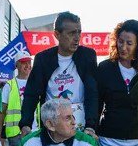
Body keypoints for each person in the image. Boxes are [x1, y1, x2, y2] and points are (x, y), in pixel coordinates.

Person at [19, 11, 98, 139]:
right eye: (72, 33)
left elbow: (93, 93)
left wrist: (91, 125)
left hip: (81, 125)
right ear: (57, 34)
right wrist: (26, 124)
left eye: (79, 32)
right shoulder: (43, 59)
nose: (77, 37)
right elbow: (31, 94)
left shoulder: (87, 56)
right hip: (52, 124)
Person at [0, 50, 37, 146]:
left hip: (35, 131)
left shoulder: (37, 84)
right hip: (15, 134)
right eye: (23, 63)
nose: (27, 65)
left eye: (29, 62)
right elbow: (2, 111)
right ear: (17, 65)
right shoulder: (9, 85)